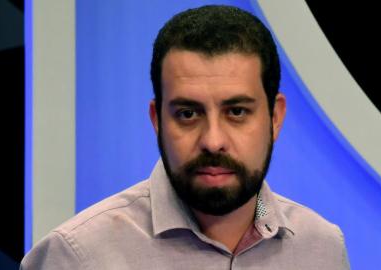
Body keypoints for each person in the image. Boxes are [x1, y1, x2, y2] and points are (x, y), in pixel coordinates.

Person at [21, 5, 350, 269]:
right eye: (188, 114)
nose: (212, 140)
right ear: (157, 120)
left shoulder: (322, 248)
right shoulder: (77, 257)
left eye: (236, 112)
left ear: (275, 118)